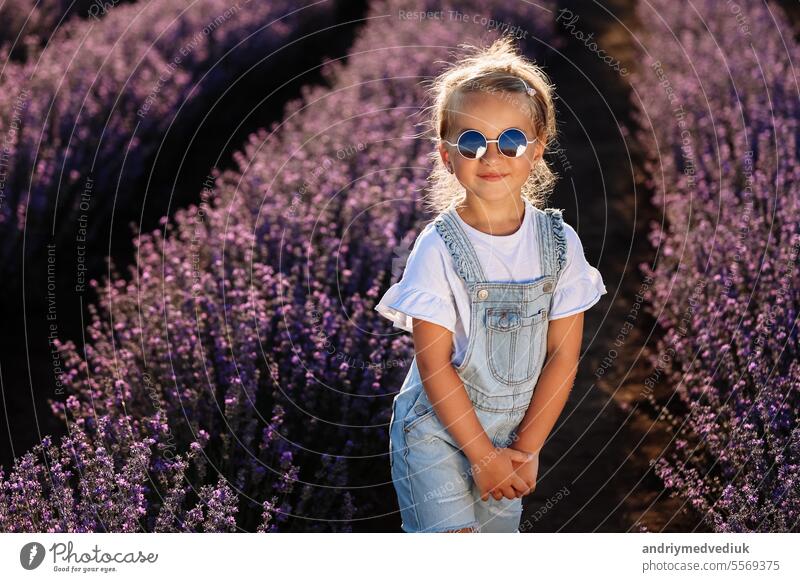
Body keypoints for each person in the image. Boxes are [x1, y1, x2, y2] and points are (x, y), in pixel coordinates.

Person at [375, 35, 607, 533]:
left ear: (537, 150)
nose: (492, 156)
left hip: (511, 436)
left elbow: (563, 356)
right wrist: (481, 457)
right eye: (472, 142)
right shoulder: (437, 247)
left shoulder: (560, 245)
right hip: (437, 434)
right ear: (446, 156)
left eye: (511, 141)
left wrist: (525, 449)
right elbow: (433, 364)